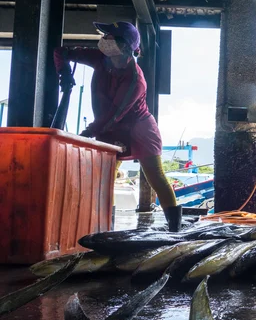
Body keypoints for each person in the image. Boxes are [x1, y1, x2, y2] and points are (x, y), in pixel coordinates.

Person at [54, 21, 183, 232]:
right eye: (104, 35)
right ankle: (106, 227)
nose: (104, 40)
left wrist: (88, 132)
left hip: (138, 129)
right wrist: (65, 73)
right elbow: (61, 52)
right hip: (109, 128)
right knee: (105, 180)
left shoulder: (135, 79)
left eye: (109, 37)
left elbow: (115, 113)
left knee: (156, 177)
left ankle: (174, 228)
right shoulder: (99, 59)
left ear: (124, 46)